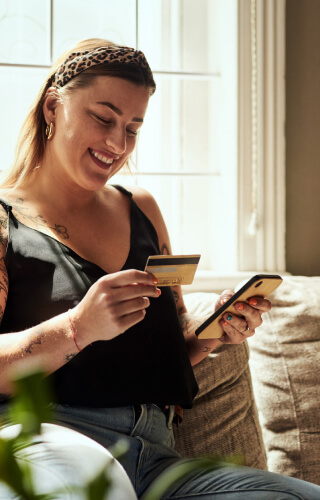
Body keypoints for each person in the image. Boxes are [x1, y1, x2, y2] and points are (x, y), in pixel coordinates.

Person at [0, 38, 319, 499]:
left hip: (156, 458)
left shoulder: (141, 209)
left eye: (133, 127)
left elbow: (168, 348)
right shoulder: (6, 219)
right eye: (103, 118)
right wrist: (77, 327)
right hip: (50, 440)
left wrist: (214, 332)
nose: (118, 143)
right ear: (53, 106)